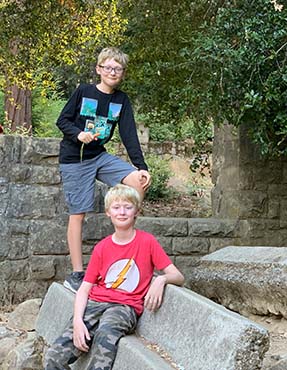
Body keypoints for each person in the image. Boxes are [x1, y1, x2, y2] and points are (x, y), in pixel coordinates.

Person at [44, 184, 185, 369]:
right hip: (95, 304)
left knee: (105, 333)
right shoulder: (102, 247)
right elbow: (85, 288)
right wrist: (78, 321)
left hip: (124, 307)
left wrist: (161, 279)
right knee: (53, 358)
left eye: (128, 207)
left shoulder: (147, 242)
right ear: (108, 212)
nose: (122, 212)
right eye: (116, 207)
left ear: (137, 211)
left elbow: (178, 276)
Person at [56, 47, 151, 291]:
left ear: (122, 73)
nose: (112, 72)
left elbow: (129, 134)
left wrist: (141, 166)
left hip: (99, 157)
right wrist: (79, 134)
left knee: (138, 182)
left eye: (117, 69)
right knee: (78, 213)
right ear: (99, 69)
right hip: (75, 159)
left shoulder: (121, 100)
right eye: (108, 67)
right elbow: (62, 120)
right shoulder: (83, 91)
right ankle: (77, 274)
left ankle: (123, 245)